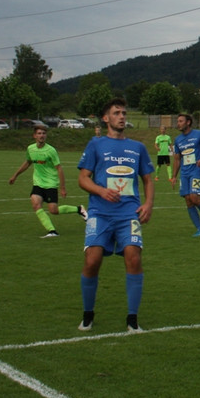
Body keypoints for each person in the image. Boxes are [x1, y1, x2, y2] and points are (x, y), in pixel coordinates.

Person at [76, 98, 155, 333]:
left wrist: (149, 203)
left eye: (124, 112)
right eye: (116, 113)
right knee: (92, 260)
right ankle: (88, 314)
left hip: (128, 214)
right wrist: (101, 190)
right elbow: (83, 178)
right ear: (106, 118)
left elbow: (148, 179)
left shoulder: (137, 147)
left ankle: (132, 319)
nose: (122, 116)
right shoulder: (96, 144)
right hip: (100, 213)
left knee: (134, 258)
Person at [9, 126, 87, 237]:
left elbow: (59, 168)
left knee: (53, 210)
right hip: (38, 183)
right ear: (34, 135)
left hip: (51, 183)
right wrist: (15, 175)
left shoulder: (51, 150)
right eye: (39, 133)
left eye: (44, 133)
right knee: (36, 205)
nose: (41, 135)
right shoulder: (31, 148)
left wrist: (63, 187)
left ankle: (79, 209)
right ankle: (52, 231)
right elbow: (28, 162)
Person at [170, 113, 200, 237]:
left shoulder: (199, 134)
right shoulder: (178, 140)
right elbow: (177, 159)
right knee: (188, 201)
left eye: (180, 121)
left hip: (196, 171)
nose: (178, 123)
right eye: (178, 121)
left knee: (194, 198)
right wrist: (174, 176)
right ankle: (199, 229)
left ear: (188, 122)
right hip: (185, 173)